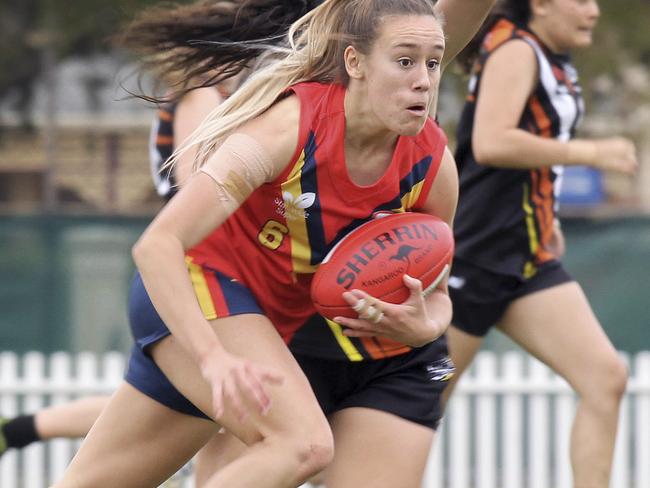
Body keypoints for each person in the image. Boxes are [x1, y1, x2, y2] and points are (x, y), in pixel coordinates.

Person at [50, 0, 478, 486]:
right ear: (355, 63)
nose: (423, 79)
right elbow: (158, 244)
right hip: (197, 288)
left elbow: (438, 291)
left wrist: (426, 326)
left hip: (259, 320)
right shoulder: (289, 126)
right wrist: (211, 357)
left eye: (434, 61)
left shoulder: (431, 164)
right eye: (404, 61)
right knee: (304, 444)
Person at [442, 1, 638, 487]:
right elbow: (491, 142)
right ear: (541, 4)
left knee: (605, 379)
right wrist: (591, 152)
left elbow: (531, 154)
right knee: (416, 405)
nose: (594, 10)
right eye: (581, 0)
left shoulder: (553, 57)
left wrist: (544, 216)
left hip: (527, 257)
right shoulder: (515, 49)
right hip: (478, 254)